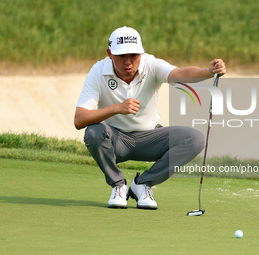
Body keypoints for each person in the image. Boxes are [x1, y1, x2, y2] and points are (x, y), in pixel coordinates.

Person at [74, 26, 226, 210]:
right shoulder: (98, 71)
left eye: (134, 55)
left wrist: (207, 71)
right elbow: (79, 119)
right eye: (122, 56)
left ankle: (143, 184)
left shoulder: (151, 64)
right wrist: (117, 108)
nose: (128, 62)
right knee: (93, 132)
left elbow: (180, 74)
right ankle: (118, 186)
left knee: (194, 139)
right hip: (115, 140)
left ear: (141, 53)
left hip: (151, 138)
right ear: (109, 54)